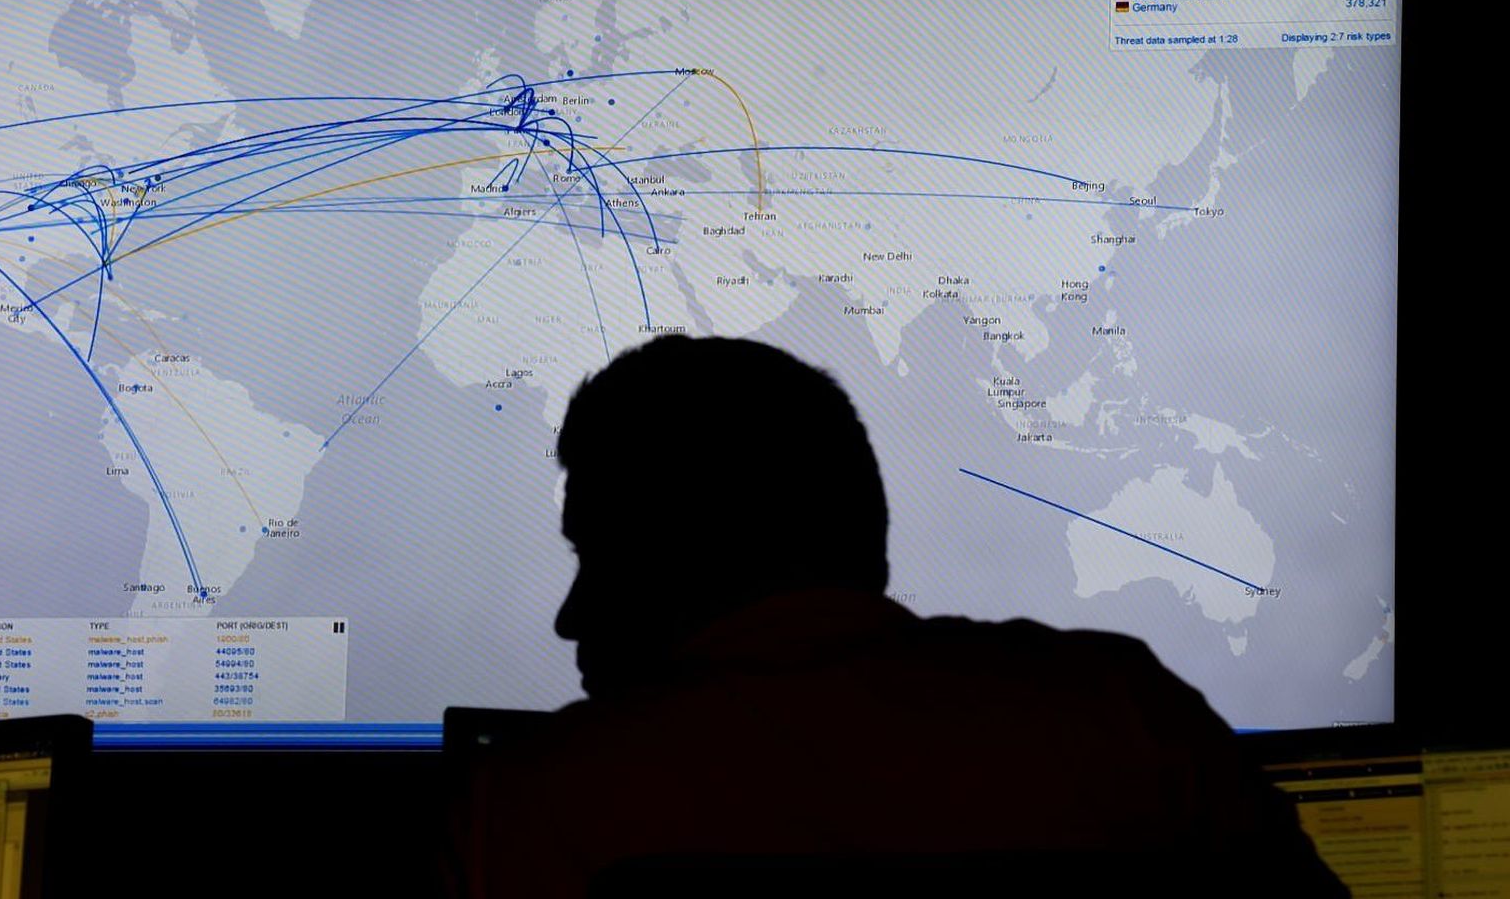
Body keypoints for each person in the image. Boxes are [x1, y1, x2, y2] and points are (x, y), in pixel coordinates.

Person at [445, 335, 1344, 898]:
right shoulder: (1129, 715)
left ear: (675, 558)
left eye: (596, 558)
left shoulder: (536, 802)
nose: (570, 619)